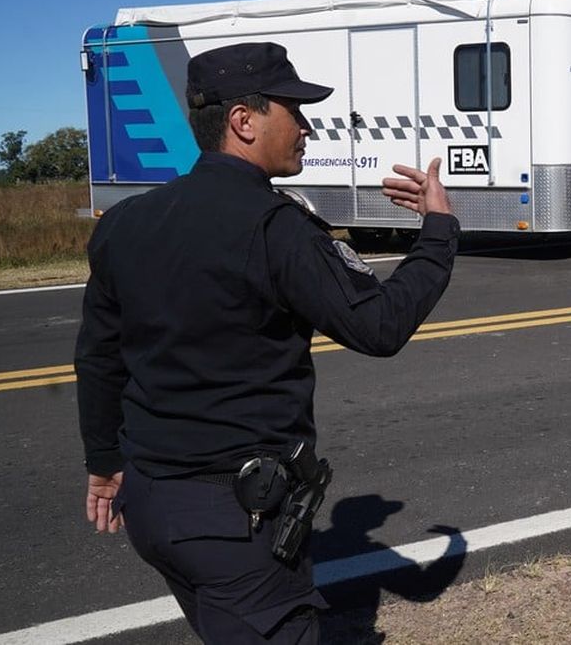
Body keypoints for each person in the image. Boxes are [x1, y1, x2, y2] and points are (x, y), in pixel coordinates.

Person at [75, 42, 460, 643]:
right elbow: (379, 325)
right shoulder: (276, 226)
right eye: (294, 110)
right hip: (233, 521)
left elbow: (100, 357)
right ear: (243, 121)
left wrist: (104, 464)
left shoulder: (127, 222)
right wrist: (438, 231)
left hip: (149, 506)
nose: (306, 126)